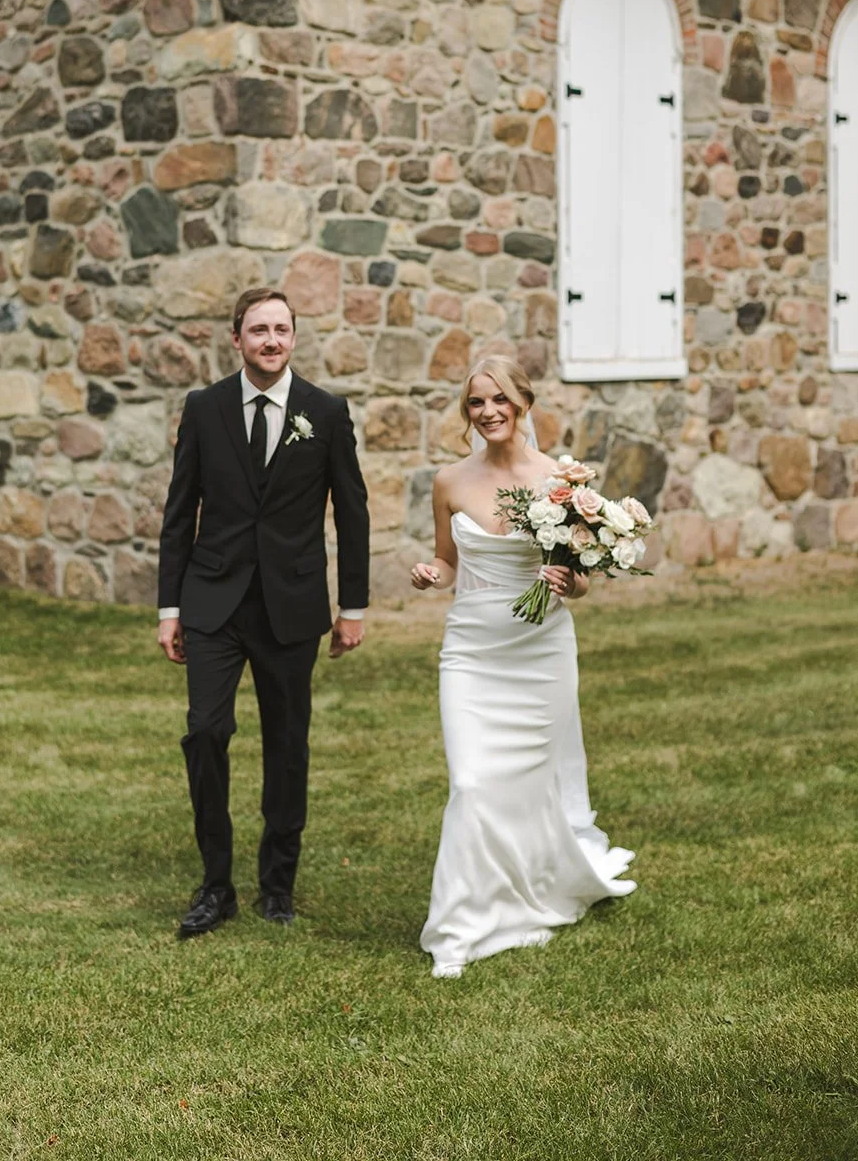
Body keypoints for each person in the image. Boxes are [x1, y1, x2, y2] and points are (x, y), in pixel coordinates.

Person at [411, 356, 635, 979]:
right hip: (472, 651)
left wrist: (569, 582)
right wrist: (433, 574)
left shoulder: (562, 480)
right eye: (476, 402)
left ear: (524, 404)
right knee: (471, 783)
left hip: (540, 652)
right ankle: (460, 926)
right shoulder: (449, 481)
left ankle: (529, 892)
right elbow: (448, 561)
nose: (488, 412)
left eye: (499, 399)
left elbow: (582, 580)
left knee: (530, 786)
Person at [157, 287, 370, 938]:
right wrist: (169, 607)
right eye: (258, 330)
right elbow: (179, 511)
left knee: (286, 744)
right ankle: (215, 885)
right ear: (236, 339)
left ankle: (277, 885)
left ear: (293, 338)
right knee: (205, 732)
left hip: (291, 607)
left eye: (281, 329)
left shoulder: (325, 412)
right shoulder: (204, 408)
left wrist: (352, 607)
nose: (271, 340)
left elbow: (352, 513)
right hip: (212, 602)